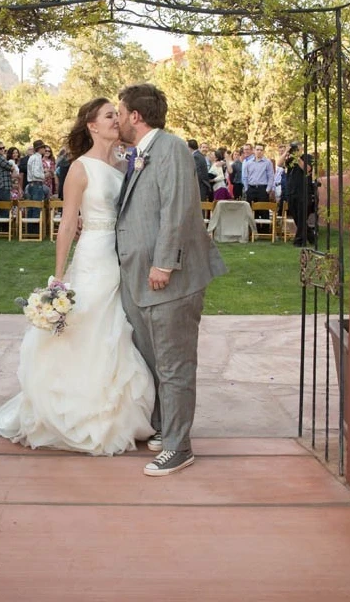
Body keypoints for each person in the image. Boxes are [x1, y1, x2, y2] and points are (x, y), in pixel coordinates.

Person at [0, 98, 155, 455]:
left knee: (117, 327)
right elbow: (68, 223)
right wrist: (59, 275)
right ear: (92, 126)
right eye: (109, 115)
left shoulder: (125, 164)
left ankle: (118, 409)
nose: (118, 119)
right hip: (95, 255)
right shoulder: (80, 168)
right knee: (89, 324)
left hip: (122, 256)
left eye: (117, 114)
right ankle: (78, 410)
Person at [116, 83, 227, 477]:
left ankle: (179, 448)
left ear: (135, 116)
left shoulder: (172, 149)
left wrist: (164, 264)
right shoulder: (141, 154)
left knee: (175, 365)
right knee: (155, 360)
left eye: (120, 110)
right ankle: (165, 428)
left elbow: (178, 208)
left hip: (168, 280)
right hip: (140, 280)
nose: (117, 117)